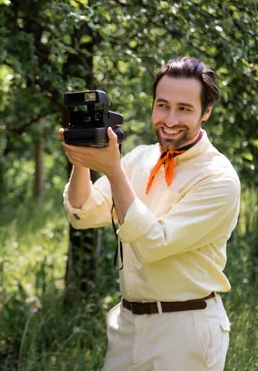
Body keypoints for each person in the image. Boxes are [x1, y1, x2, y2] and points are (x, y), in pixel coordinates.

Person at [60, 57, 240, 370]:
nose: (169, 119)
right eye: (162, 105)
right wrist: (81, 158)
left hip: (185, 330)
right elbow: (82, 214)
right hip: (127, 325)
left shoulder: (218, 179)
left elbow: (153, 244)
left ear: (206, 112)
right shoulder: (139, 157)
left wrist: (113, 170)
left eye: (184, 108)